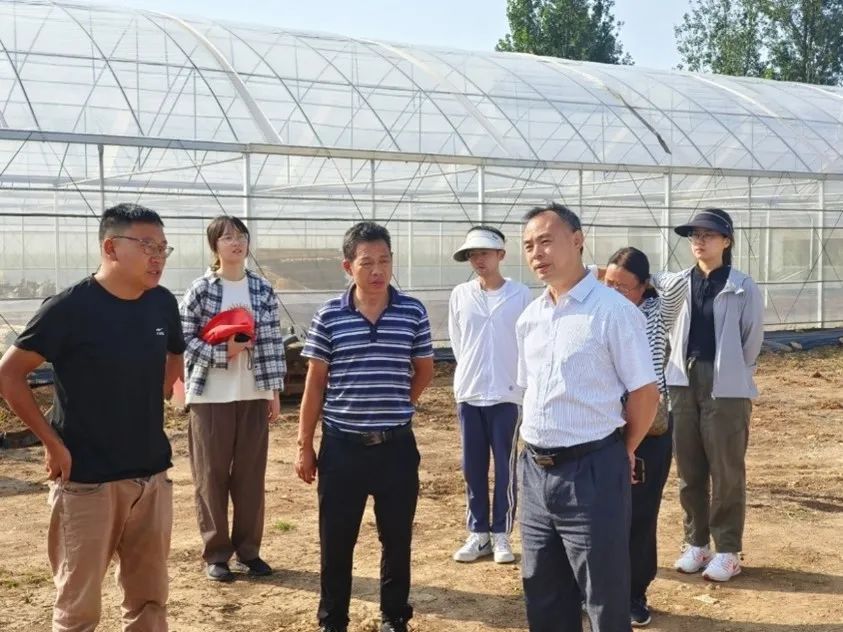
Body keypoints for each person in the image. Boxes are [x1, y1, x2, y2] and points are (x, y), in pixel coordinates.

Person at [0, 203, 185, 631]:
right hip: (87, 480)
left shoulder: (162, 303)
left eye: (163, 248)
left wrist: (154, 396)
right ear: (111, 247)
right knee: (78, 609)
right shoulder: (70, 308)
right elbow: (9, 375)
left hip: (151, 476)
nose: (157, 257)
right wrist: (51, 442)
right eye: (147, 246)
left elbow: (175, 355)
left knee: (150, 600)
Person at [516, 203, 660, 632]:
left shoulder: (613, 311)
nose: (537, 253)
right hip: (535, 471)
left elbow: (645, 393)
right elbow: (529, 390)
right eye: (529, 245)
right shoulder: (530, 317)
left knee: (604, 597)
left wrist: (623, 450)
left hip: (592, 470)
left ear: (577, 241)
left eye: (546, 241)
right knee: (543, 592)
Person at [295, 222, 435, 632]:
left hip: (396, 448)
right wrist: (304, 445)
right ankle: (332, 620)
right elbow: (315, 383)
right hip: (342, 449)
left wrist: (399, 404)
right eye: (367, 262)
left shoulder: (412, 312)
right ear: (348, 266)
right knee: (336, 541)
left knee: (397, 539)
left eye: (384, 261)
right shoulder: (330, 315)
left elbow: (424, 370)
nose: (377, 271)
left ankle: (394, 616)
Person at [649, 208, 764, 583]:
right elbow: (638, 278)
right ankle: (696, 543)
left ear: (726, 241)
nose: (699, 241)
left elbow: (751, 341)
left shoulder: (742, 286)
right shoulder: (677, 282)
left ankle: (727, 550)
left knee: (726, 469)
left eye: (708, 235)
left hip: (725, 384)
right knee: (689, 468)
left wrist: (732, 374)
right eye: (694, 235)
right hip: (682, 381)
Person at [180, 215, 286, 582]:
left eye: (241, 236)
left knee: (250, 477)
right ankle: (216, 554)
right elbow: (182, 340)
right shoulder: (201, 289)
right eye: (227, 237)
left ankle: (249, 551)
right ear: (215, 246)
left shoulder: (262, 289)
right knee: (211, 476)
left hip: (253, 393)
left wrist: (273, 392)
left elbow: (272, 342)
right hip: (210, 396)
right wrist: (222, 353)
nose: (236, 242)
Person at [599, 247, 684, 626]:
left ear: (644, 286)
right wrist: (606, 275)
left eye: (624, 286)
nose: (615, 292)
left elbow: (678, 283)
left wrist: (647, 279)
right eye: (609, 284)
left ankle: (634, 593)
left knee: (640, 513)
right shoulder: (598, 309)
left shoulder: (656, 311)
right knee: (601, 514)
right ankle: (599, 590)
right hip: (603, 425)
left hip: (649, 427)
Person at [448, 225, 532, 564]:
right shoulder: (460, 294)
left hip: (507, 394)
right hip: (470, 393)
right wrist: (470, 373)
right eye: (472, 254)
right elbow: (458, 341)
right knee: (473, 466)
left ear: (501, 255)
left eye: (484, 253)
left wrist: (521, 385)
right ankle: (478, 531)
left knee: (506, 467)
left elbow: (527, 343)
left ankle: (501, 534)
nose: (478, 260)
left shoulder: (520, 294)